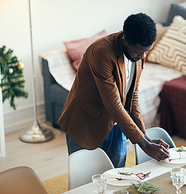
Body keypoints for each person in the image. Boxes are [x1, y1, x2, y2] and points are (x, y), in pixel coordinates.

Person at [58, 13, 169, 168]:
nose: (143, 56)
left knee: (117, 179)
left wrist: (145, 137)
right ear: (125, 40)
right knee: (86, 185)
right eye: (139, 52)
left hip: (117, 127)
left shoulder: (138, 53)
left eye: (146, 51)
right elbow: (114, 103)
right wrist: (144, 144)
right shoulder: (101, 53)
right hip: (86, 124)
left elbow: (132, 96)